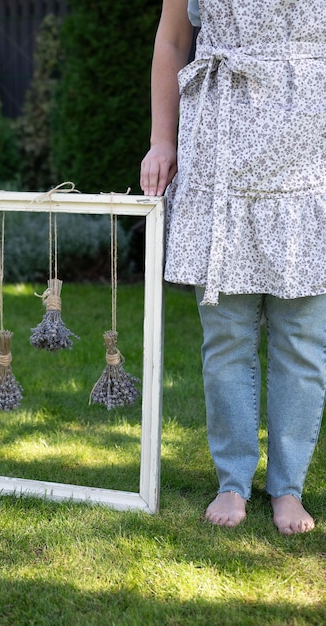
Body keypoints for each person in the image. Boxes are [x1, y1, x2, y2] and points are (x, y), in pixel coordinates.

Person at [140, 0, 326, 534]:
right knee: (226, 335)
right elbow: (173, 39)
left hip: (310, 150)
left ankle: (288, 487)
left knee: (303, 337)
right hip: (220, 144)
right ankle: (232, 482)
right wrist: (162, 139)